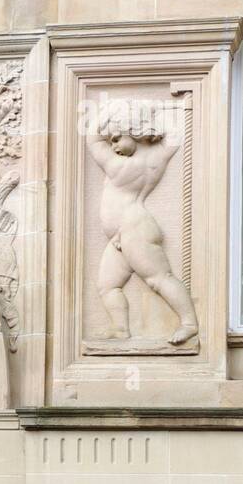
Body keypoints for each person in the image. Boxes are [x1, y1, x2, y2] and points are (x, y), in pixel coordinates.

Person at [88, 98, 198, 345]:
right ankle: (120, 329)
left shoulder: (116, 164)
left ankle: (189, 323)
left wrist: (113, 110)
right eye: (111, 141)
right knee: (107, 287)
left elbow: (92, 138)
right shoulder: (157, 157)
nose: (113, 145)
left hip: (134, 227)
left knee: (158, 279)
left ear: (134, 130)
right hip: (120, 236)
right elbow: (174, 133)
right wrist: (152, 110)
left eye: (116, 138)